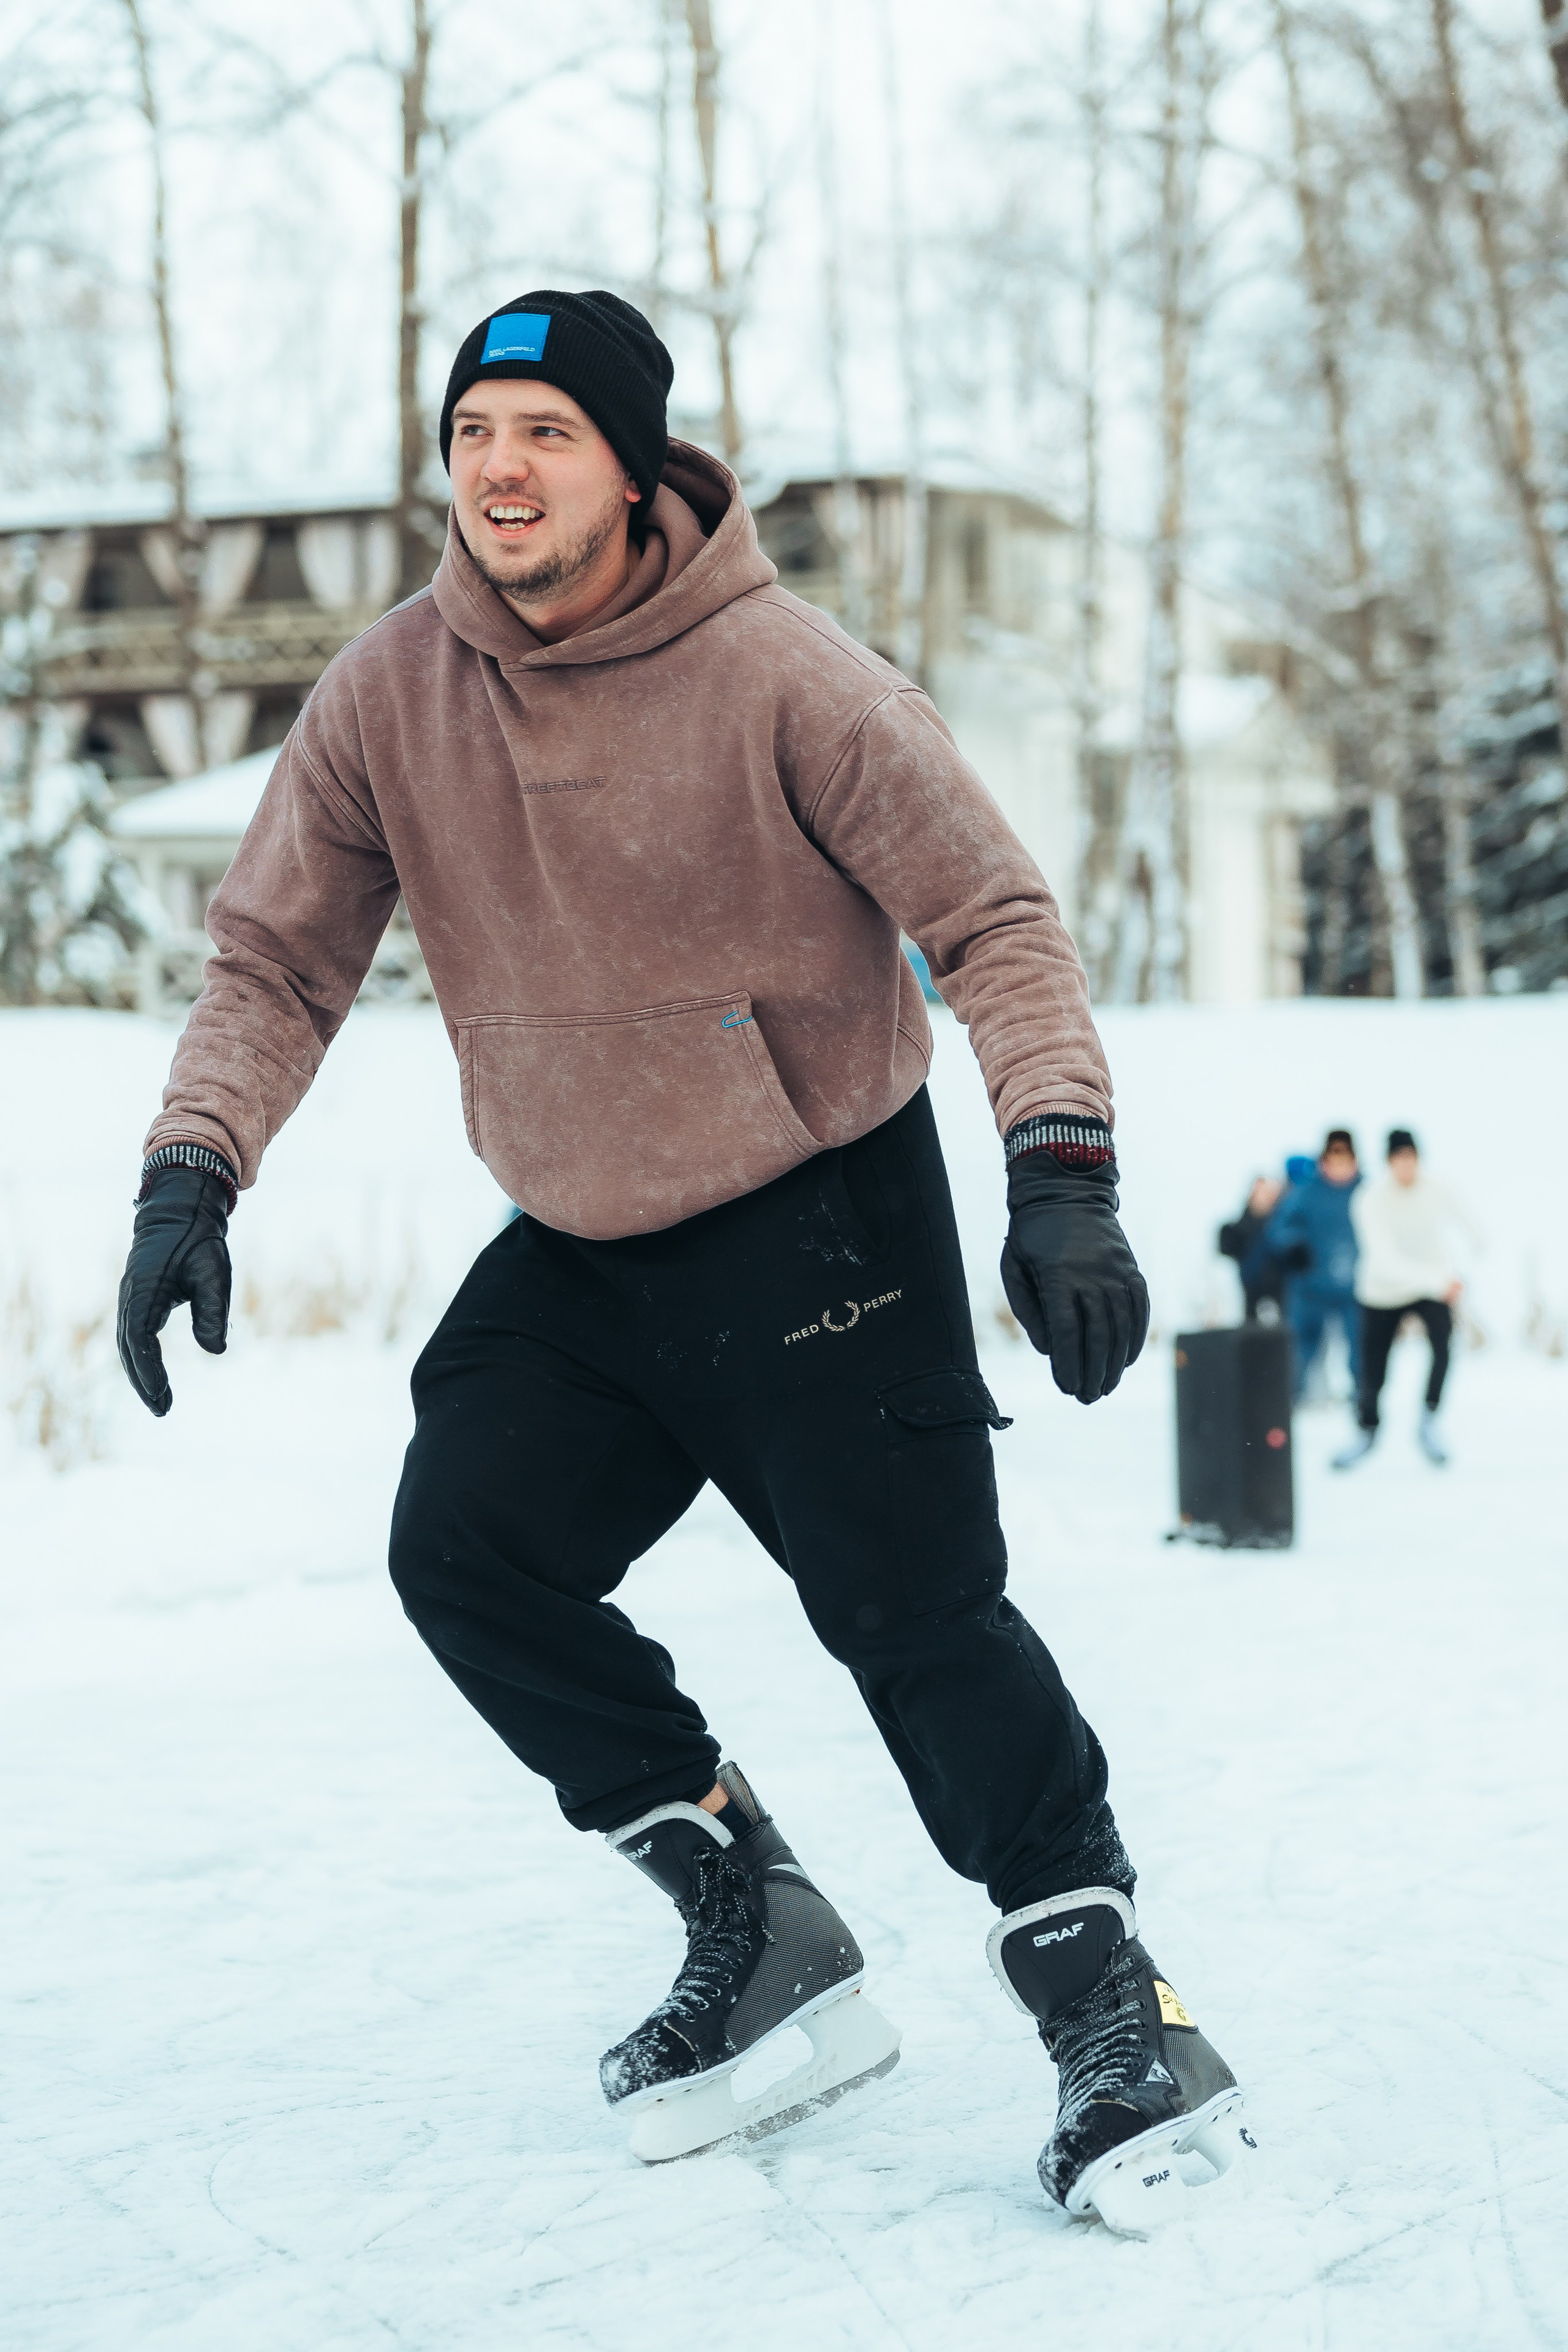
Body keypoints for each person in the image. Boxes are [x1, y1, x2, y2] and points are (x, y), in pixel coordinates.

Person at [114, 290, 1248, 2231]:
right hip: (582, 1232)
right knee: (466, 1546)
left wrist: (1059, 1168)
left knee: (914, 1618)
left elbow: (993, 920)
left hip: (818, 1207)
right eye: (474, 432)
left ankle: (1111, 2004)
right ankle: (754, 1908)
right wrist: (188, 1173)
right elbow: (274, 961)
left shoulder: (791, 679)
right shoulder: (389, 695)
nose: (499, 469)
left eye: (545, 431)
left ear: (632, 468)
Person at [1333, 1128, 1479, 1470]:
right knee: (1373, 1367)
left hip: (1433, 1286)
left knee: (1443, 1347)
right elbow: (1384, 1260)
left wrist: (1466, 1264)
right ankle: (1367, 1429)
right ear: (1388, 1162)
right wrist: (1440, 1281)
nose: (1406, 1166)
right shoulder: (1370, 1198)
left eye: (1411, 1158)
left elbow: (1472, 1228)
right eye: (1398, 1159)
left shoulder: (1439, 1189)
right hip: (1382, 1291)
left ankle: (1430, 1418)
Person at [1266, 1129, 1362, 1403]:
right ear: (1325, 1159)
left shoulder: (1368, 1191)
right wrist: (1293, 1245)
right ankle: (1290, 1400)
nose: (1339, 1163)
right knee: (1301, 1348)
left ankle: (1364, 1399)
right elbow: (1281, 1226)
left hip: (1357, 1290)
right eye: (1334, 1156)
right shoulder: (1306, 1192)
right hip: (1311, 1287)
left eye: (1345, 1156)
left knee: (1361, 1347)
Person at [1218, 1175, 1286, 1321]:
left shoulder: (1280, 1225)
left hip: (1279, 1288)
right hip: (1251, 1287)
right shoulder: (1240, 1227)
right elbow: (1228, 1248)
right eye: (1260, 1192)